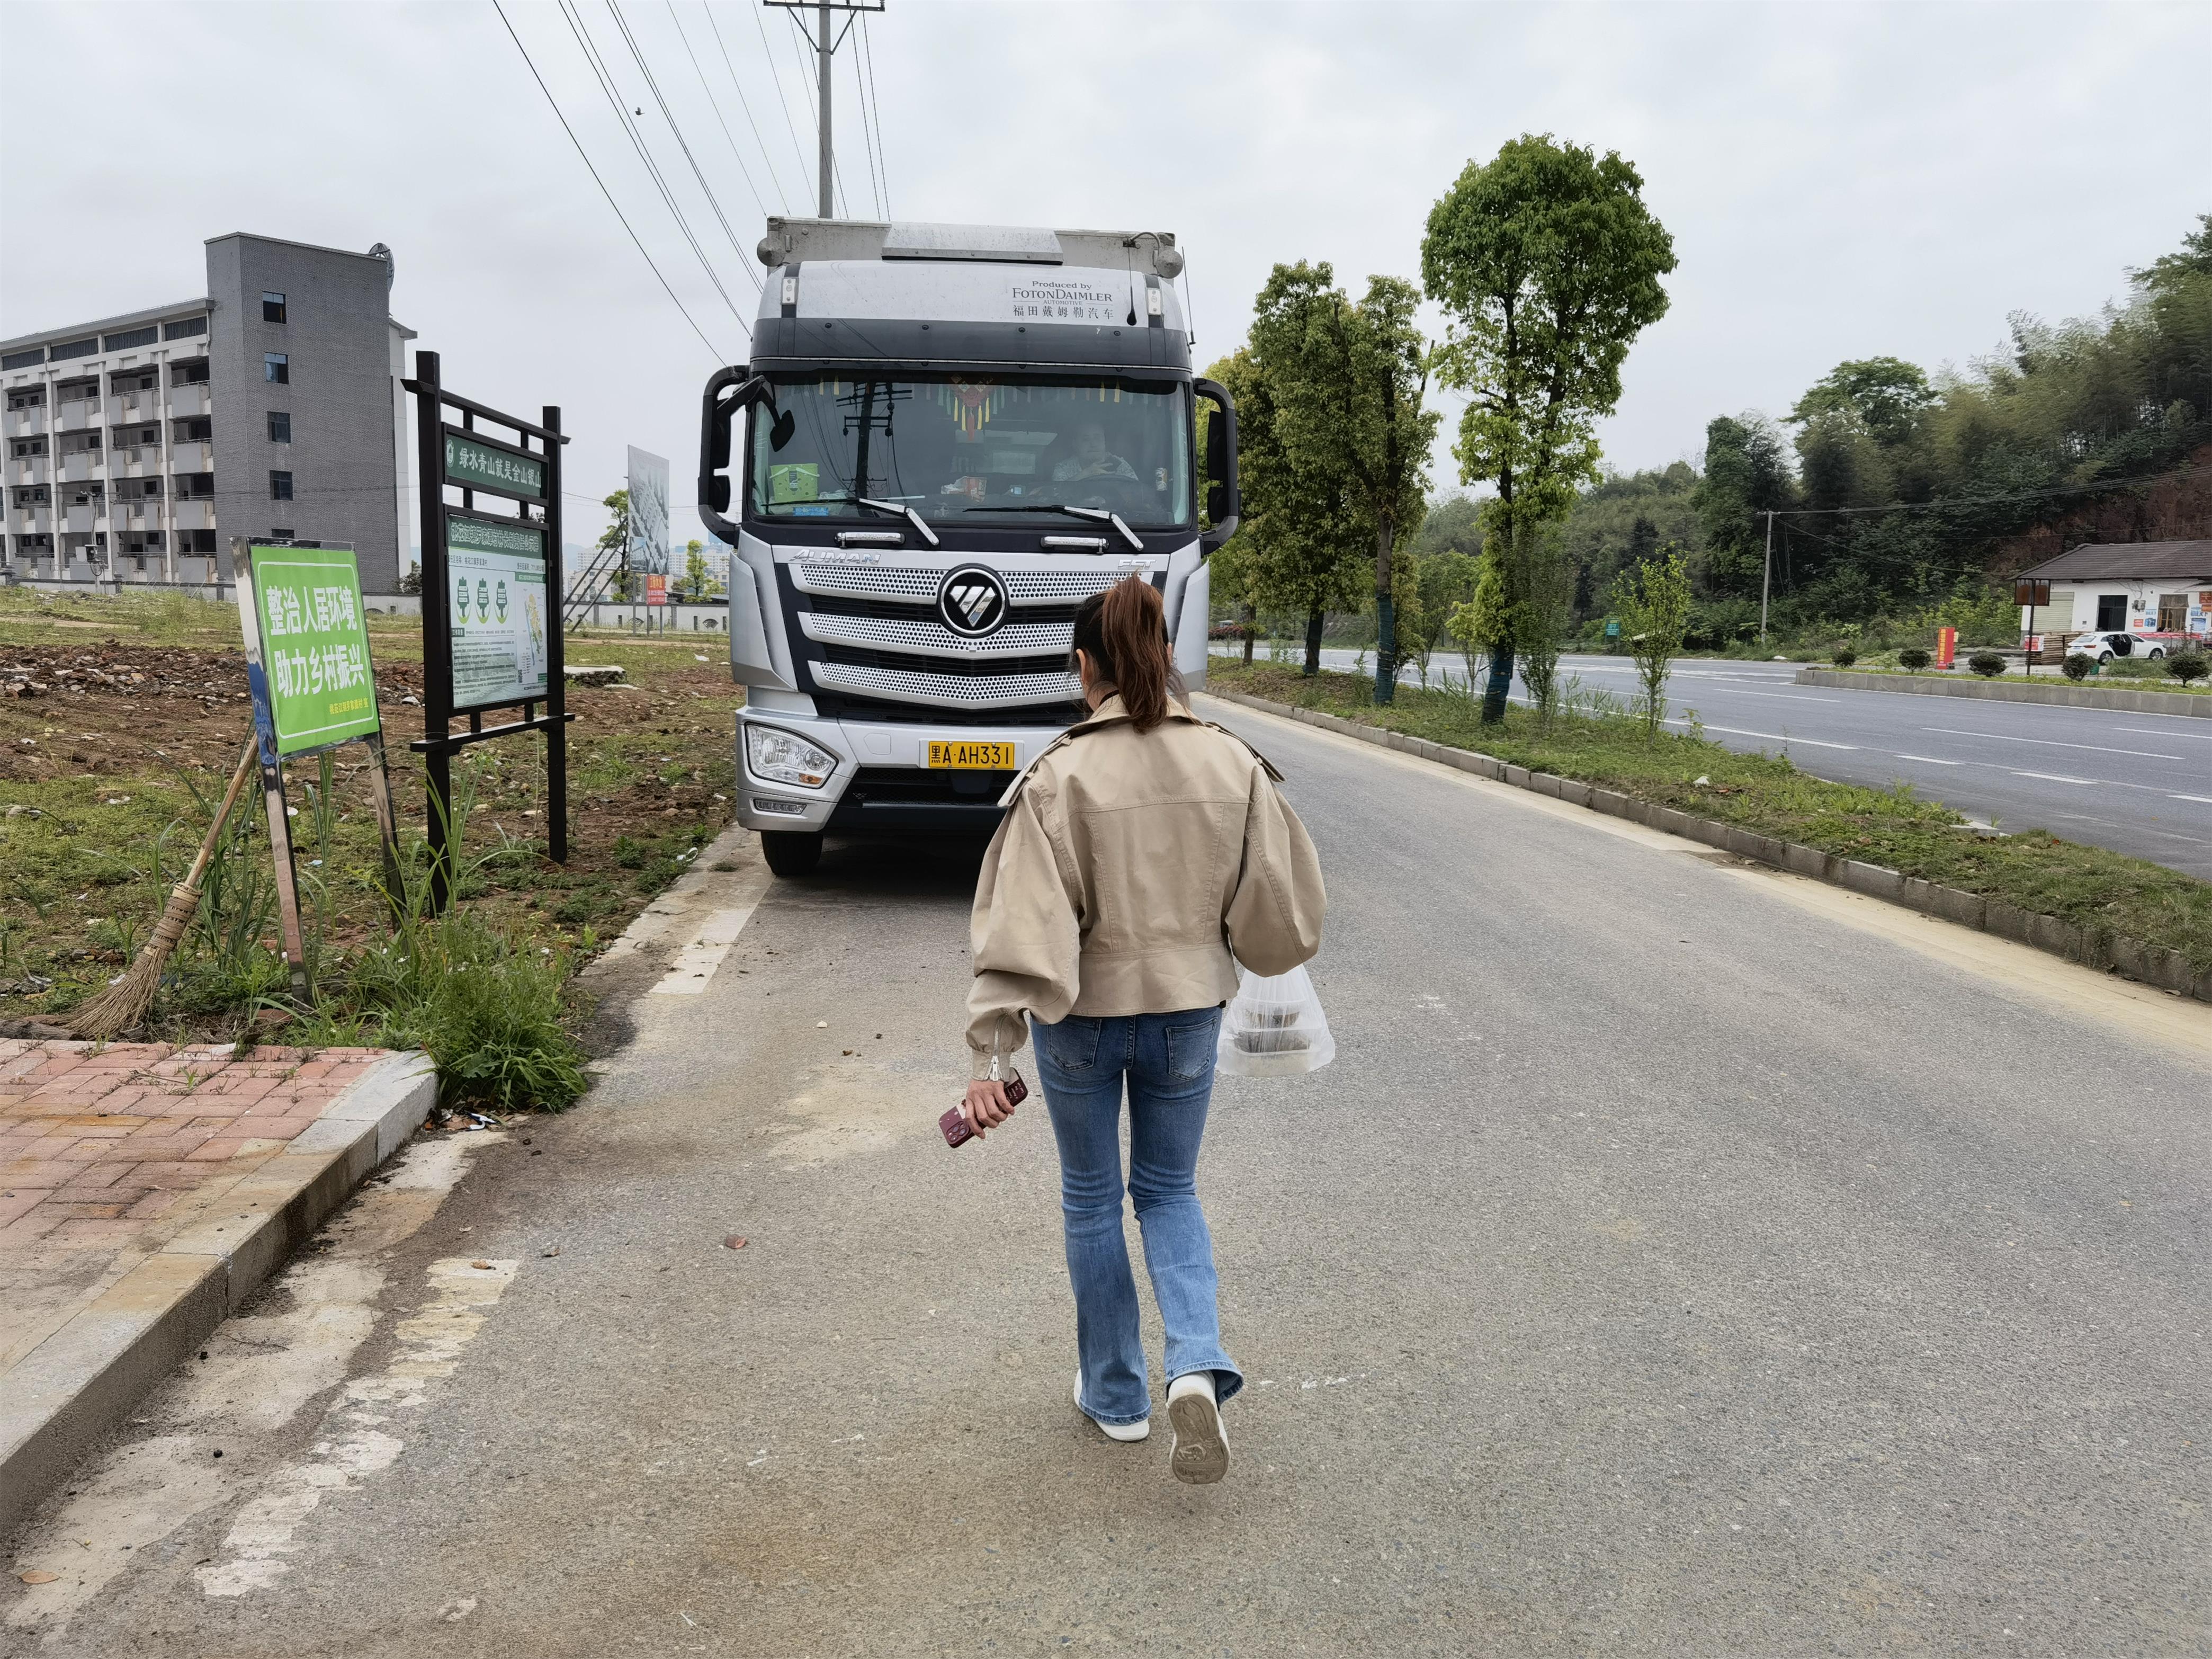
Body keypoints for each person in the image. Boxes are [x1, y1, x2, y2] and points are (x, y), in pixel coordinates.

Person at [961, 576, 1326, 1484]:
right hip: (1188, 1014)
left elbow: (1018, 928)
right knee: (1168, 1191)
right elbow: (1278, 918)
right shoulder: (1229, 762)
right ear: (1165, 656)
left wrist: (988, 1053)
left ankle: (1117, 1396)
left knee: (1091, 1199)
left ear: (1084, 666)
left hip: (1079, 1018)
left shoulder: (1058, 774)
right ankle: (1195, 1362)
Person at [1050, 419, 1139, 484]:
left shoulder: (1119, 465)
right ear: (1075, 444)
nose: (1093, 444)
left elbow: (1136, 495)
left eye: (1098, 438)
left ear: (1105, 441)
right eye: (1086, 439)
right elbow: (1056, 494)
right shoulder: (1064, 468)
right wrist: (1086, 474)